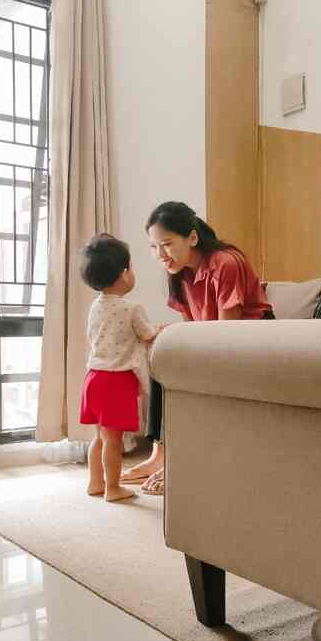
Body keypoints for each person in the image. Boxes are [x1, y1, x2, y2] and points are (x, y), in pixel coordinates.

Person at [121, 202, 274, 495]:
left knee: (180, 360)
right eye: (154, 247)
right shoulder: (179, 273)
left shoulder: (225, 263)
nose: (160, 255)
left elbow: (226, 333)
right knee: (162, 356)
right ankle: (159, 455)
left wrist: (184, 337)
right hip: (214, 339)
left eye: (166, 244)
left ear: (192, 238)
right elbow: (195, 328)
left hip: (252, 339)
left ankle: (184, 461)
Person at [79, 234, 163, 502]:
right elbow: (149, 335)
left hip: (93, 377)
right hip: (117, 380)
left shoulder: (95, 307)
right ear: (125, 274)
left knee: (100, 438)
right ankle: (113, 488)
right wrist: (161, 330)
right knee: (114, 440)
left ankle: (95, 482)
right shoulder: (131, 308)